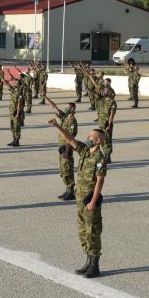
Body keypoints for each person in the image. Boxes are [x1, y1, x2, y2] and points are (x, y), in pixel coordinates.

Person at [48, 119, 107, 278]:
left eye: (91, 136)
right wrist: (57, 126)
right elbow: (70, 139)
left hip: (90, 200)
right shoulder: (85, 151)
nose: (88, 137)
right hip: (80, 199)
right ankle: (88, 262)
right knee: (83, 231)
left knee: (92, 232)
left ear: (98, 140)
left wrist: (93, 202)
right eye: (88, 135)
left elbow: (100, 180)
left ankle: (95, 266)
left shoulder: (100, 158)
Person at [45, 95, 78, 200]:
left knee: (68, 169)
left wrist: (67, 151)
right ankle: (67, 189)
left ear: (72, 109)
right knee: (63, 170)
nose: (66, 109)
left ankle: (71, 191)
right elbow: (55, 107)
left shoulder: (72, 121)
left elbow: (70, 137)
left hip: (66, 148)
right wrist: (45, 96)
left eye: (68, 107)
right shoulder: (64, 117)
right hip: (62, 147)